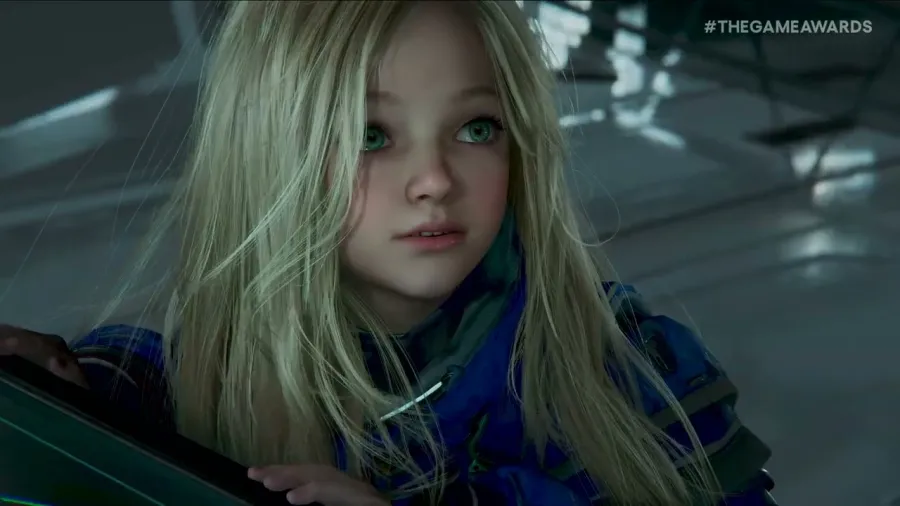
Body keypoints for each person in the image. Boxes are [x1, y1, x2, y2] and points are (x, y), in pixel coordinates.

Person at [0, 2, 777, 505]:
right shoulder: (219, 365)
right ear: (270, 156)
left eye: (476, 128)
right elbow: (176, 386)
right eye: (369, 135)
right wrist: (78, 391)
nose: (434, 179)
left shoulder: (627, 376)